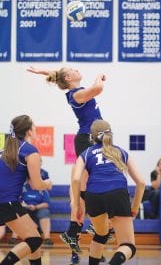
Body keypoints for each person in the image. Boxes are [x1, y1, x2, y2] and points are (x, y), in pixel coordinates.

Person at [27, 66, 106, 264]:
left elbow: (58, 74)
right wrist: (100, 77)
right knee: (83, 195)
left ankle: (81, 232)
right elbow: (98, 89)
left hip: (92, 139)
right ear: (69, 78)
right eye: (73, 69)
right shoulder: (77, 94)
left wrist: (42, 72)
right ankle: (90, 232)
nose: (78, 69)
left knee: (85, 195)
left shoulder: (73, 90)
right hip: (87, 139)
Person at [71, 119, 145, 265]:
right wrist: (135, 208)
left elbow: (75, 180)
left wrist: (76, 206)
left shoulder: (86, 153)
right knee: (128, 245)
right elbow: (141, 183)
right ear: (111, 134)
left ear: (91, 137)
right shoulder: (121, 151)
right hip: (117, 193)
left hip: (93, 196)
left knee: (101, 234)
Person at [0, 114, 52, 265]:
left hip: (5, 201)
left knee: (33, 243)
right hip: (7, 201)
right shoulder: (30, 151)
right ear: (29, 131)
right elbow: (36, 185)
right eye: (34, 127)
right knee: (34, 240)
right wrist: (47, 183)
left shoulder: (5, 150)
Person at [21, 180, 54, 245]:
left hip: (38, 208)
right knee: (18, 213)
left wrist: (35, 207)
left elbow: (46, 203)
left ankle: (47, 238)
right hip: (25, 208)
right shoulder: (22, 188)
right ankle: (14, 238)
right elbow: (17, 201)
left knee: (45, 212)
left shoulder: (42, 189)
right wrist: (25, 205)